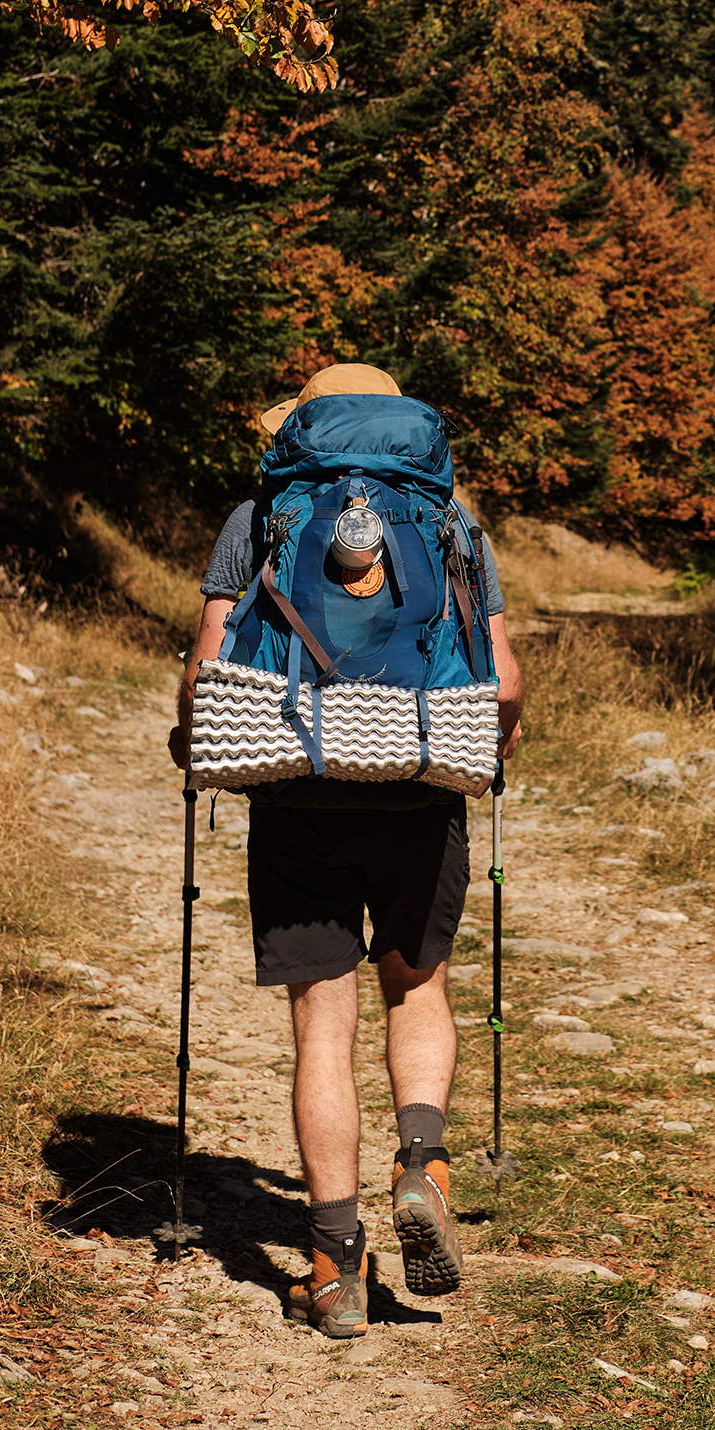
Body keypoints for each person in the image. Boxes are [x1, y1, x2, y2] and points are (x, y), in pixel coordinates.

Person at [169, 362, 524, 1339]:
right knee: (416, 987)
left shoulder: (260, 516)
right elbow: (500, 679)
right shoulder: (448, 519)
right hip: (417, 780)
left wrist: (187, 743)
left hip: (296, 789)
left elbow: (209, 669)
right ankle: (421, 1163)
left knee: (320, 1026)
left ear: (304, 430)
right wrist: (494, 742)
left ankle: (333, 1265)